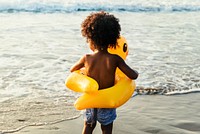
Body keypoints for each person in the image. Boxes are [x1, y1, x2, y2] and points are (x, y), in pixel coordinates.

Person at [70, 11, 138, 134]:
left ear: (90, 38)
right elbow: (133, 75)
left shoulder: (86, 58)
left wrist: (85, 72)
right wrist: (135, 72)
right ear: (112, 39)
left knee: (89, 125)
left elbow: (73, 70)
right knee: (106, 128)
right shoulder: (115, 59)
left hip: (90, 100)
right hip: (107, 101)